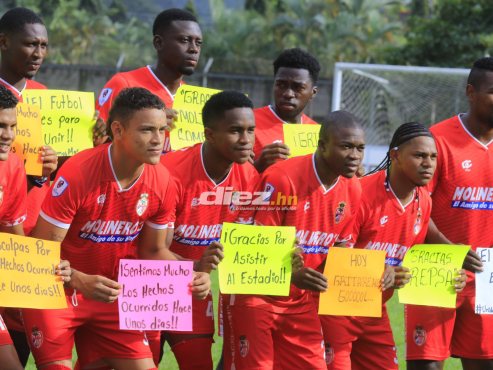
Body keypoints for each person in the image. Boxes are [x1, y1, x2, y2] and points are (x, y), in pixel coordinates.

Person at [20, 87, 211, 370]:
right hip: (57, 288)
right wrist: (78, 279)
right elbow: (39, 253)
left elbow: (154, 250)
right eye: (147, 130)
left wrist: (191, 274)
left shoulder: (163, 180)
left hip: (114, 295)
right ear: (118, 130)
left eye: (162, 129)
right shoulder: (79, 172)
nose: (158, 140)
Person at [224, 110, 366, 370]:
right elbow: (249, 247)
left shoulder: (353, 187)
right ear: (323, 145)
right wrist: (290, 274)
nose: (355, 156)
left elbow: (342, 246)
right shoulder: (282, 178)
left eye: (360, 148)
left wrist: (369, 275)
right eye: (346, 146)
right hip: (255, 294)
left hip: (299, 299)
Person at [328, 122, 467, 370]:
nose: (429, 164)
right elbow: (334, 254)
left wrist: (450, 273)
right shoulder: (361, 193)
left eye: (433, 157)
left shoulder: (423, 199)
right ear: (395, 156)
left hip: (374, 311)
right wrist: (378, 269)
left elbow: (416, 257)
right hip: (335, 311)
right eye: (419, 155)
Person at [156, 91, 259, 369]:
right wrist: (196, 266)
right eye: (235, 131)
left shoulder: (249, 176)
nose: (246, 139)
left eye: (251, 130)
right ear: (210, 135)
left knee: (198, 363)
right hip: (149, 281)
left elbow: (241, 245)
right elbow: (153, 249)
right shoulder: (170, 172)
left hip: (194, 287)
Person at [406, 57, 493, 370]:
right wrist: (448, 248)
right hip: (435, 264)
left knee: (484, 363)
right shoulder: (436, 140)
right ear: (471, 93)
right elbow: (416, 208)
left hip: (487, 273)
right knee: (427, 363)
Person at [0, 7, 61, 366]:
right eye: (30, 44)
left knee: (22, 326)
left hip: (29, 228)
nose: (38, 53)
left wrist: (50, 168)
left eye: (44, 45)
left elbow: (54, 169)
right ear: (3, 43)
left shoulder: (43, 96)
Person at [0, 84, 70, 370]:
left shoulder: (14, 166)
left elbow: (15, 242)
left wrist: (52, 268)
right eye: (0, 127)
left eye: (13, 126)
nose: (8, 136)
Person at [95, 8, 202, 152]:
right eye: (184, 40)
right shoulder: (124, 84)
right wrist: (153, 121)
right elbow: (97, 142)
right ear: (158, 43)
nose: (194, 49)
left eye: (198, 43)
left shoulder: (193, 101)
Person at [253, 48, 320, 173]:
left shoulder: (318, 134)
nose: (288, 94)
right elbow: (229, 181)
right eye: (281, 85)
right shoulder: (248, 124)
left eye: (298, 87)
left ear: (313, 92)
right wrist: (258, 166)